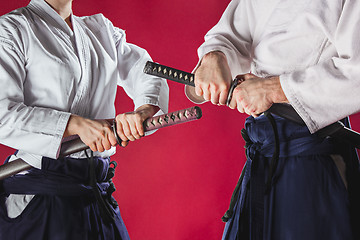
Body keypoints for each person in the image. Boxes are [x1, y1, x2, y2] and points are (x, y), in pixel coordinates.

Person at [186, 0, 360, 239]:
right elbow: (231, 34)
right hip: (265, 150)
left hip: (313, 156)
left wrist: (274, 88)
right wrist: (215, 56)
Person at [0, 0, 169, 239]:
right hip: (41, 191)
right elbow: (3, 114)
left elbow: (144, 69)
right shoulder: (12, 29)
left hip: (95, 190)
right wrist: (74, 125)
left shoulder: (100, 30)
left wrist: (144, 110)